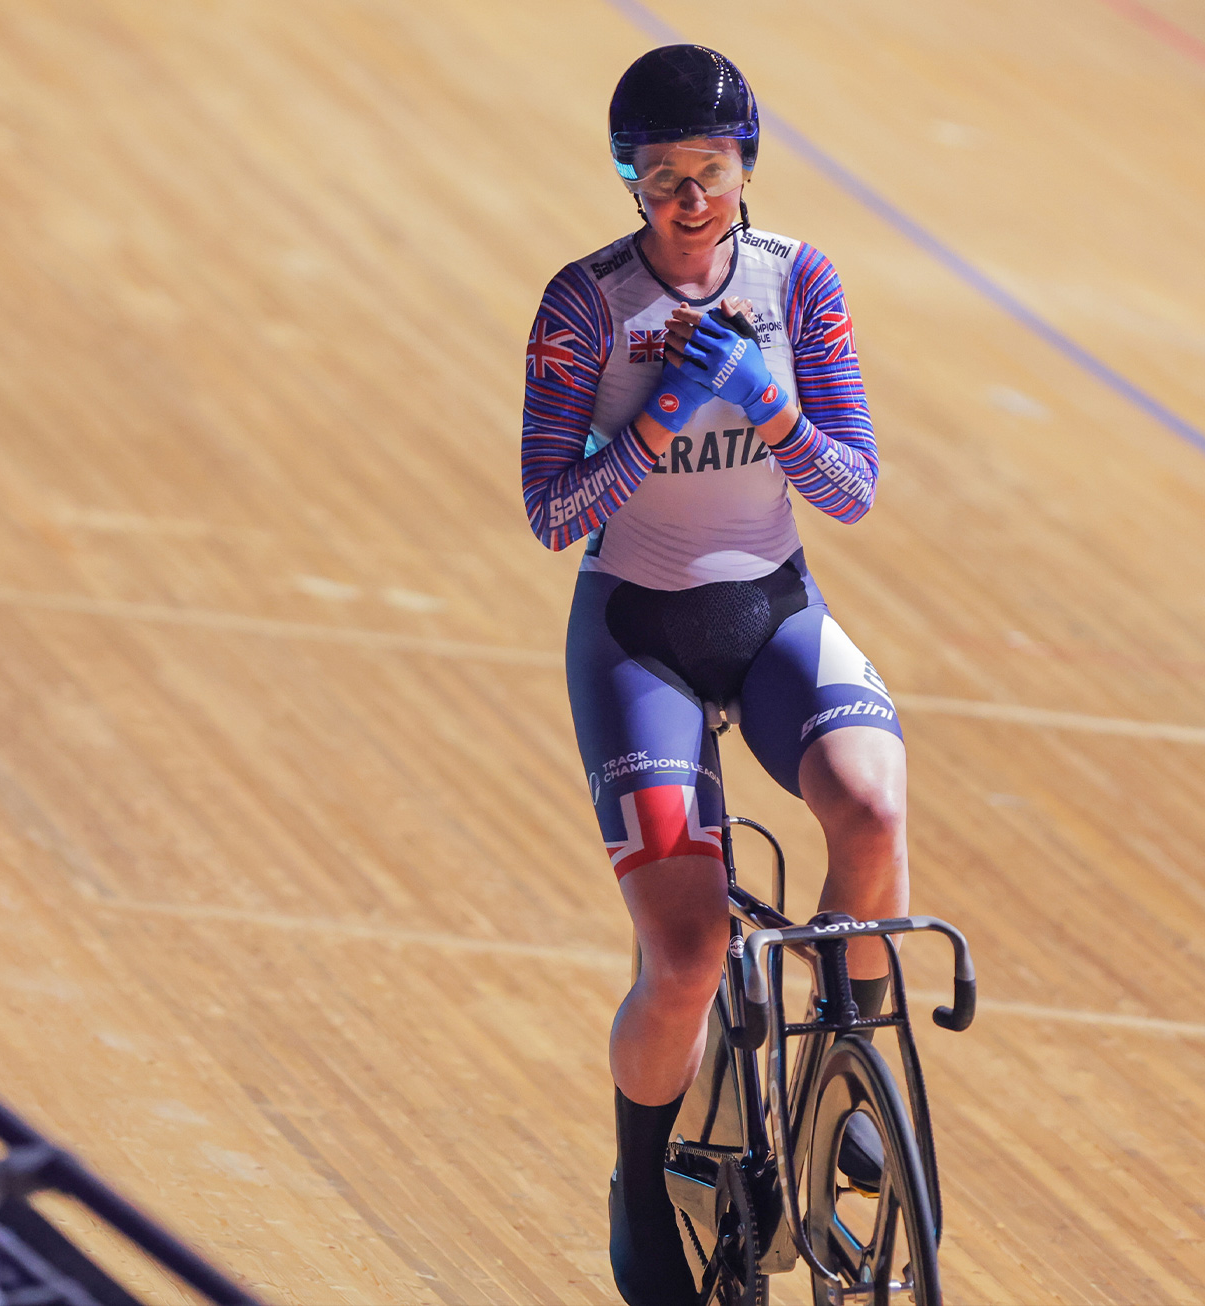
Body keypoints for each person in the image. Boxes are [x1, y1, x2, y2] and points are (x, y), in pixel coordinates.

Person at [519, 46, 906, 1305]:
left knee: (870, 802)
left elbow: (848, 490)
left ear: (746, 165)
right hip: (639, 634)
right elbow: (550, 508)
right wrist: (654, 425)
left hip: (771, 611)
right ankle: (640, 1181)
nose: (691, 201)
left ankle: (844, 1059)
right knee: (683, 954)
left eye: (714, 173)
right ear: (630, 182)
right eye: (664, 180)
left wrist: (770, 408)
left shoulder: (799, 283)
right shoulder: (586, 305)